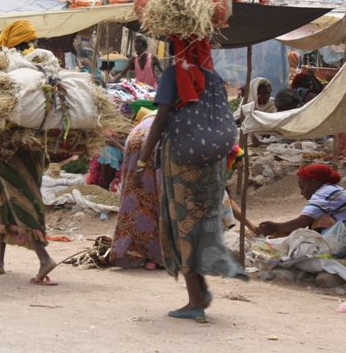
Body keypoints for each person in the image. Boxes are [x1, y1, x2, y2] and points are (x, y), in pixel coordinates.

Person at [137, 37, 247, 320]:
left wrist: (142, 160)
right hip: (213, 163)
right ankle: (202, 290)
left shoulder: (174, 74)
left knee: (182, 225)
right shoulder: (213, 76)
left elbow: (160, 119)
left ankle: (195, 301)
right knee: (204, 222)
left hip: (181, 159)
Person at [0, 20, 59, 285]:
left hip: (12, 146)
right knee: (4, 198)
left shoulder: (12, 68)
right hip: (35, 146)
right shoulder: (43, 68)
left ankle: (43, 258)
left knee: (19, 198)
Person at [257, 164, 346, 240]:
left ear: (313, 183)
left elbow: (302, 222)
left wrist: (275, 227)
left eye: (303, 188)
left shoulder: (324, 193)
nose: (302, 193)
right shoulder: (332, 190)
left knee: (316, 225)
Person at [110, 110, 164, 270]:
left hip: (134, 137)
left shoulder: (149, 115)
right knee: (161, 194)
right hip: (158, 138)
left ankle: (126, 250)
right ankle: (157, 256)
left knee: (134, 196)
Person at [235, 77, 275, 147]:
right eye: (263, 93)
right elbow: (236, 120)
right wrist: (248, 111)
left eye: (269, 93)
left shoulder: (272, 103)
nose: (266, 96)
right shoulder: (247, 102)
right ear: (255, 93)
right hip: (251, 133)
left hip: (267, 134)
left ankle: (261, 143)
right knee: (235, 134)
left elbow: (276, 122)